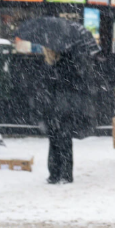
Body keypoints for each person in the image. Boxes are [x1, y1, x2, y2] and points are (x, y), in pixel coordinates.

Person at [41, 47, 94, 185]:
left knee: (63, 140)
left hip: (64, 107)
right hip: (56, 107)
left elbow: (69, 85)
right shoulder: (52, 65)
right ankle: (56, 173)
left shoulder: (65, 63)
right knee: (56, 139)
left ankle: (63, 173)